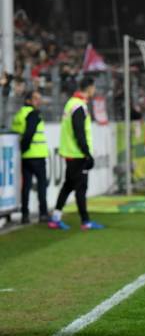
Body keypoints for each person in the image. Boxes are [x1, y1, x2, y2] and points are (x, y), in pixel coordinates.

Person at [48, 77, 104, 230]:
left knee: (68, 185)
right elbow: (79, 132)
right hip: (77, 154)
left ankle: (55, 218)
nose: (94, 91)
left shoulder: (71, 103)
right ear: (89, 88)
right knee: (81, 188)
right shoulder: (78, 106)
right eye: (93, 88)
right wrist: (87, 153)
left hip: (71, 153)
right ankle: (85, 221)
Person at [11, 90, 49, 224]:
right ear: (28, 100)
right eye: (35, 99)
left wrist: (23, 150)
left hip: (26, 157)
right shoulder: (33, 114)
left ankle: (25, 215)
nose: (38, 101)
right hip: (37, 155)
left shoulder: (19, 114)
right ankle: (43, 213)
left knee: (26, 187)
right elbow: (29, 134)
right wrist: (25, 147)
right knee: (41, 186)